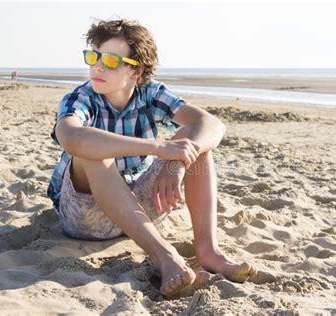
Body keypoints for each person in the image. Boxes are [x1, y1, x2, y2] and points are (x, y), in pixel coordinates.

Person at [47, 18, 256, 297]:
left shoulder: (151, 93)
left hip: (140, 207)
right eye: (94, 56)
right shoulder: (81, 98)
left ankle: (208, 251)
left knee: (196, 146)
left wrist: (176, 162)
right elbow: (72, 138)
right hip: (85, 217)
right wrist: (159, 149)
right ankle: (164, 255)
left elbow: (212, 125)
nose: (96, 66)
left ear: (136, 71)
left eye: (110, 61)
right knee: (92, 153)